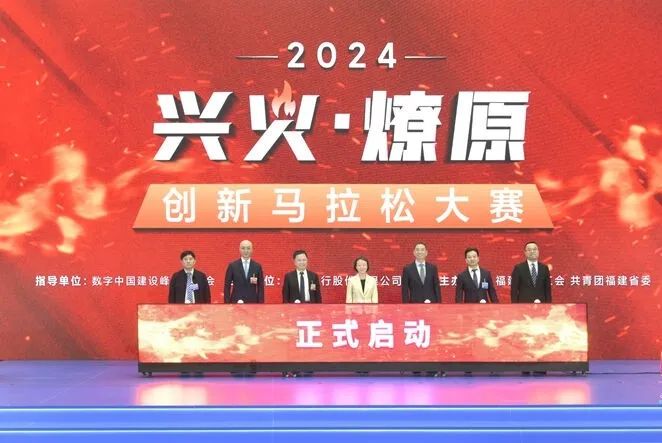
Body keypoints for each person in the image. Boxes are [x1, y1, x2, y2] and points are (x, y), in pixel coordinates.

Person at [511, 241, 552, 376]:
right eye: (529, 249)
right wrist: (516, 309)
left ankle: (541, 365)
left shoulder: (544, 268)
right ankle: (525, 365)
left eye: (535, 249)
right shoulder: (519, 268)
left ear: (538, 252)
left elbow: (548, 290)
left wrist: (548, 307)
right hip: (524, 310)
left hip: (541, 310)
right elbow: (514, 290)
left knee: (540, 336)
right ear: (525, 252)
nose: (532, 251)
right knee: (526, 337)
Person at [223, 240, 264, 304]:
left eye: (248, 248)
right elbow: (227, 287)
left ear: (252, 250)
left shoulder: (257, 266)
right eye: (243, 248)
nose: (246, 251)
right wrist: (227, 304)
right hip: (235, 302)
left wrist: (261, 304)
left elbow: (260, 287)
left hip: (253, 303)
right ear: (239, 249)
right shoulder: (233, 266)